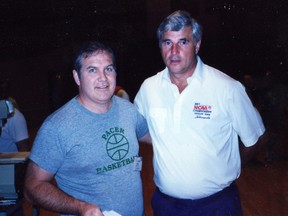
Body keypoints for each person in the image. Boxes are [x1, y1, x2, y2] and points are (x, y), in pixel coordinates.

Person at [134, 10, 266, 216]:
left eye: (183, 42)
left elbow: (256, 138)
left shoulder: (227, 88)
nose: (174, 50)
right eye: (167, 42)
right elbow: (139, 129)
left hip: (218, 206)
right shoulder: (148, 89)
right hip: (167, 206)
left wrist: (230, 166)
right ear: (160, 46)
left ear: (197, 45)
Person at [24, 41, 150, 216]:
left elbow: (154, 137)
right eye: (92, 70)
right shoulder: (57, 126)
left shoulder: (129, 110)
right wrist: (80, 207)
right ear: (77, 77)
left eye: (109, 69)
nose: (103, 78)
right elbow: (32, 187)